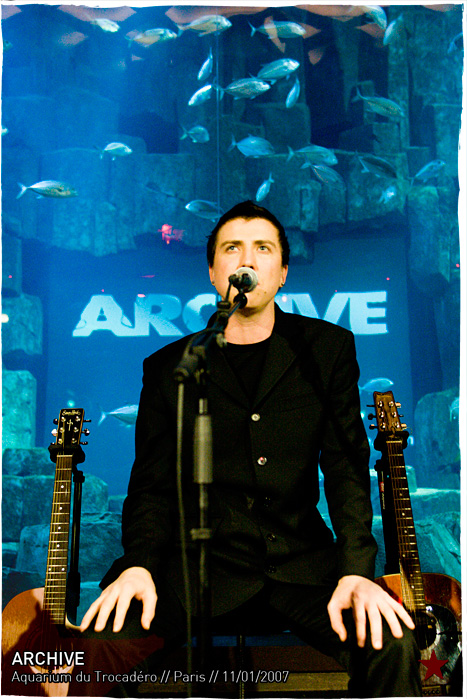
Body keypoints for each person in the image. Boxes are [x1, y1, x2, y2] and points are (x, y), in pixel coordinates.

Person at [78, 201, 422, 697]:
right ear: (213, 271)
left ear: (282, 272)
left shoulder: (328, 349)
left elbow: (346, 472)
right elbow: (151, 487)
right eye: (232, 248)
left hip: (301, 567)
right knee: (98, 646)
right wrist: (139, 564)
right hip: (195, 570)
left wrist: (355, 573)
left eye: (262, 248)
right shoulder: (168, 367)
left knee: (393, 643)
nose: (247, 260)